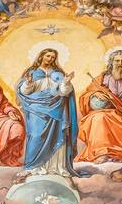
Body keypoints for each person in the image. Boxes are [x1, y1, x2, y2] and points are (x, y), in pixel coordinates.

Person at [16, 43, 78, 176]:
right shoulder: (32, 72)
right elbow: (24, 92)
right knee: (36, 135)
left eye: (53, 57)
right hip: (36, 109)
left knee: (57, 135)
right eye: (48, 56)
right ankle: (33, 167)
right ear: (41, 56)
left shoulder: (58, 74)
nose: (50, 59)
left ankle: (56, 167)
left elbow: (64, 92)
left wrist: (66, 82)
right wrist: (28, 83)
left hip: (56, 109)